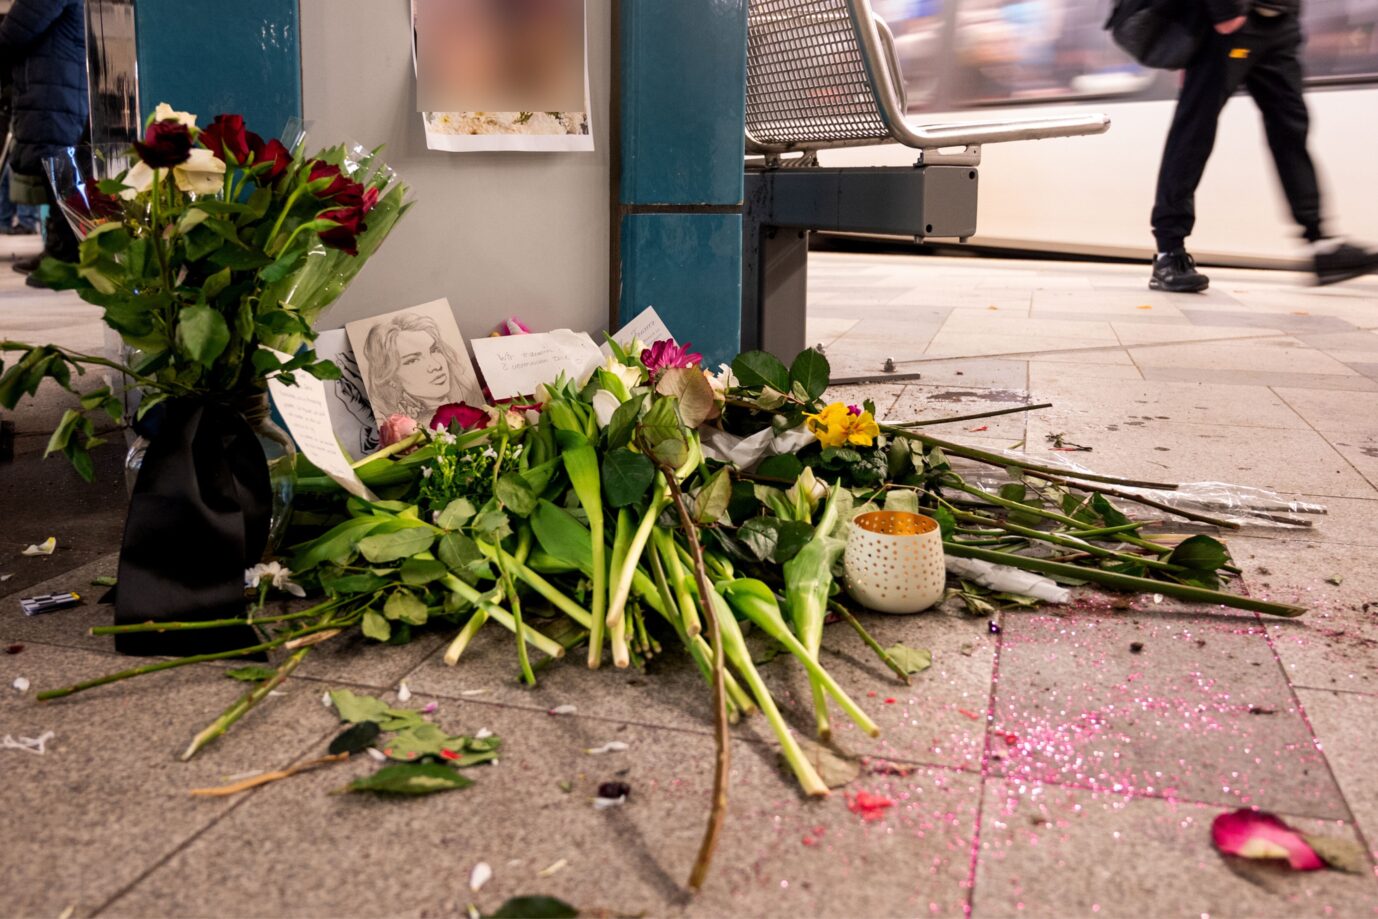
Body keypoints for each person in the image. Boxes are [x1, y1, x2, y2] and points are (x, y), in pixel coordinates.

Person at [1149, 0, 1378, 292]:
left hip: (1279, 23)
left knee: (1291, 129)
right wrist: (1224, 11)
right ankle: (1169, 252)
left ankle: (1320, 243)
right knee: (1195, 132)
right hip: (1233, 24)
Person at [0, 0, 87, 285]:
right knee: (56, 168)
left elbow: (16, 31)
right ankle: (58, 250)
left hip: (52, 88)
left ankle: (65, 259)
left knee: (58, 168)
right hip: (53, 84)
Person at [361, 313, 479, 424]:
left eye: (435, 350)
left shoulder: (472, 399)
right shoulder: (410, 427)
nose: (436, 366)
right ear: (390, 378)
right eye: (412, 360)